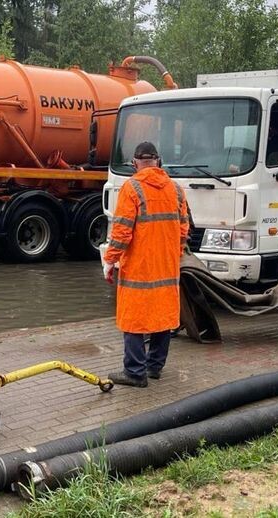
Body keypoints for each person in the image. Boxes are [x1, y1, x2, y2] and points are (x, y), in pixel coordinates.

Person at [103, 142, 190, 387]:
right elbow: (183, 229)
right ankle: (154, 368)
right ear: (158, 161)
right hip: (166, 268)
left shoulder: (132, 188)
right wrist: (174, 253)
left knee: (134, 318)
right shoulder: (176, 190)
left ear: (134, 163)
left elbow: (121, 233)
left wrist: (109, 261)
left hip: (139, 270)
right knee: (162, 317)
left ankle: (134, 372)